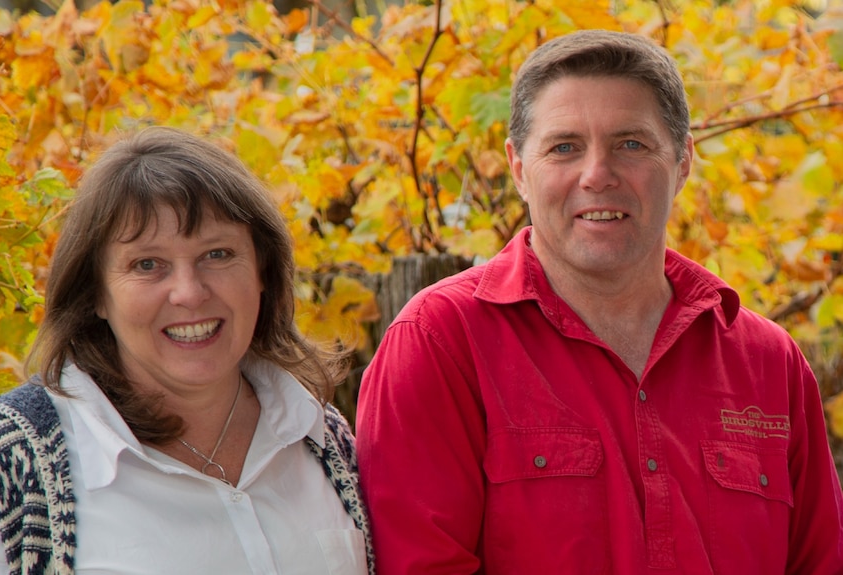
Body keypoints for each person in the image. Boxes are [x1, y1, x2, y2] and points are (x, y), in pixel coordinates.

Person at [355, 29, 843, 574]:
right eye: (564, 147)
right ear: (518, 169)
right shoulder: (440, 343)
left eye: (631, 144)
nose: (597, 175)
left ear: (683, 162)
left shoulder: (769, 363)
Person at [0, 127, 373, 574]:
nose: (189, 293)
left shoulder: (324, 438)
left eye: (218, 254)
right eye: (147, 264)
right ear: (96, 294)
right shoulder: (4, 471)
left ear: (264, 271)